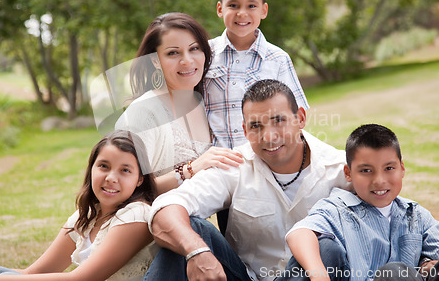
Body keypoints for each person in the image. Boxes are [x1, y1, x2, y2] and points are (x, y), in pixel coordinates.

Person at [143, 79, 351, 281]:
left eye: (278, 120)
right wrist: (195, 250)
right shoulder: (235, 165)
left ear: (300, 118)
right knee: (189, 232)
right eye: (256, 126)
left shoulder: (341, 169)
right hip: (246, 276)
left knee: (326, 247)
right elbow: (166, 207)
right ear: (244, 130)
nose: (268, 137)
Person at [0, 130, 159, 281]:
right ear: (91, 168)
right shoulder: (87, 216)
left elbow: (80, 278)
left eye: (125, 170)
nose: (111, 178)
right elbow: (34, 272)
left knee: (0, 277)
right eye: (103, 166)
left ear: (140, 179)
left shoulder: (137, 215)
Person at [285, 124, 439, 281]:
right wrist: (319, 275)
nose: (379, 180)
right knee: (326, 248)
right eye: (366, 170)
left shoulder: (416, 215)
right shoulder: (338, 209)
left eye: (389, 168)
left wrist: (429, 264)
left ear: (402, 169)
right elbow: (300, 233)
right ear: (348, 173)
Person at [114, 12, 244, 195]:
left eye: (194, 49)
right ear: (155, 60)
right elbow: (122, 188)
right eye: (173, 53)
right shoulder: (144, 112)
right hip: (150, 218)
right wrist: (190, 169)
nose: (187, 61)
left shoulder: (208, 103)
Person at [204, 0, 309, 149]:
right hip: (216, 162)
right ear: (220, 9)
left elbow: (296, 115)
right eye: (233, 5)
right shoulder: (205, 54)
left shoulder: (278, 59)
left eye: (251, 6)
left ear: (263, 10)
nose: (242, 13)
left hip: (263, 160)